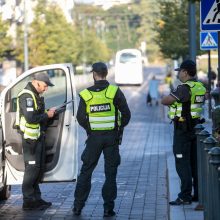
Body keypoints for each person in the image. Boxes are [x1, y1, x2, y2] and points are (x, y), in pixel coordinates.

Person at [73, 62, 131, 217]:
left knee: (86, 172)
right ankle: (108, 209)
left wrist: (90, 129)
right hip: (111, 138)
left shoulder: (86, 94)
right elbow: (126, 115)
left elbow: (80, 117)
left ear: (94, 74)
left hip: (94, 139)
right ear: (106, 73)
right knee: (110, 174)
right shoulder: (114, 91)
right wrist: (118, 129)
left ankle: (78, 207)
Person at [161, 60, 206, 205]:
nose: (178, 73)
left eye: (179, 71)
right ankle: (198, 194)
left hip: (183, 130)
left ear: (185, 72)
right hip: (195, 129)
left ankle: (184, 196)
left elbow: (165, 101)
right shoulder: (199, 87)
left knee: (182, 162)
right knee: (194, 163)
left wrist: (173, 99)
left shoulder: (183, 88)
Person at [16, 72, 56, 210]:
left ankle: (36, 199)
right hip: (29, 140)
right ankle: (28, 201)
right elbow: (31, 118)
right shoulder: (26, 95)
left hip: (36, 137)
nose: (46, 89)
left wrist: (48, 113)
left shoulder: (35, 95)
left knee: (37, 170)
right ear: (37, 82)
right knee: (31, 170)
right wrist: (47, 114)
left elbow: (36, 115)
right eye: (45, 86)